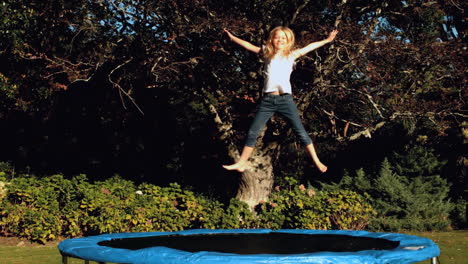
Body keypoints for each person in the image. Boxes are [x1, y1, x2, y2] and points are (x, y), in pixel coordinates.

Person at [222, 26, 338, 173]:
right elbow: (248, 45)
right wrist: (232, 37)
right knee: (253, 132)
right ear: (272, 39)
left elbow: (310, 47)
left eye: (283, 38)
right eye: (277, 37)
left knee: (300, 132)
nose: (280, 40)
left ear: (288, 41)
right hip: (268, 101)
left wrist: (327, 40)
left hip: (285, 100)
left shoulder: (291, 55)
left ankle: (317, 161)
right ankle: (241, 162)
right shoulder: (266, 53)